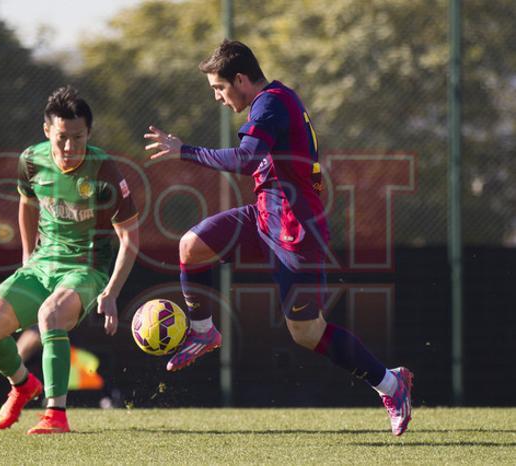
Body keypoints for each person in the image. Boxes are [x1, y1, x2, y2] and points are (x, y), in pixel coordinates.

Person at [144, 40, 413, 436]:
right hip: (265, 217)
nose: (218, 97)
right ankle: (202, 331)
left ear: (240, 78)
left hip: (296, 232)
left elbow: (246, 157)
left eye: (219, 88)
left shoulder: (270, 103)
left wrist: (185, 150)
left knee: (306, 332)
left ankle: (392, 384)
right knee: (191, 245)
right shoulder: (274, 100)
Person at [0, 85, 139, 434]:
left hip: (86, 270)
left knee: (50, 316)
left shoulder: (105, 172)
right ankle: (22, 385)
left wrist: (110, 292)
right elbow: (27, 204)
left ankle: (56, 415)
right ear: (47, 130)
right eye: (62, 137)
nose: (69, 147)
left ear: (89, 133)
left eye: (78, 137)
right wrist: (26, 257)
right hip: (41, 265)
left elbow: (130, 239)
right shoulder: (31, 161)